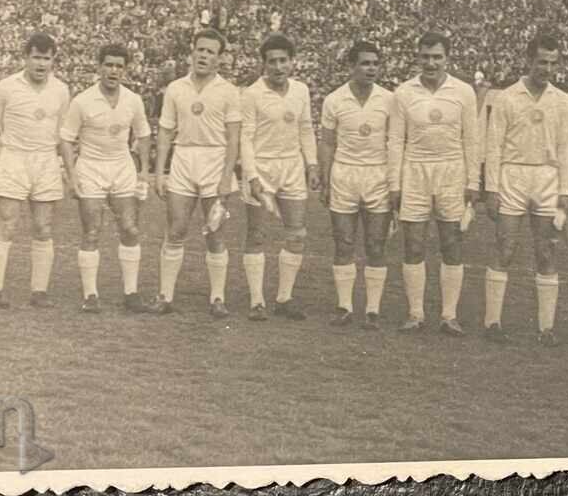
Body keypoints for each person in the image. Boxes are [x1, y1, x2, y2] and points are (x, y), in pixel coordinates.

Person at [388, 32, 481, 336]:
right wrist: (395, 183)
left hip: (451, 171)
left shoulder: (464, 92)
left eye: (437, 57)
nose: (431, 62)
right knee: (413, 243)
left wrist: (472, 180)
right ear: (418, 57)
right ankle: (415, 313)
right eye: (426, 56)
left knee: (451, 242)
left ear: (446, 58)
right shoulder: (403, 93)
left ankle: (448, 316)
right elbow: (395, 140)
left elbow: (472, 138)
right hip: (415, 170)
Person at [483, 34, 568, 345]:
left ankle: (545, 328)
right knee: (505, 248)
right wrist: (491, 189)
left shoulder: (562, 101)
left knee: (546, 250)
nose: (546, 68)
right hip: (512, 176)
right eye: (541, 62)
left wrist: (566, 190)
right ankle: (492, 322)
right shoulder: (507, 98)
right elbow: (492, 146)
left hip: (547, 178)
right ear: (529, 61)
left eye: (552, 62)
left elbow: (566, 149)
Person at [59, 43, 154, 314]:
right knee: (91, 231)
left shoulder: (133, 100)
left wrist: (144, 171)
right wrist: (71, 175)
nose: (114, 71)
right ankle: (91, 295)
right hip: (90, 168)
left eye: (119, 66)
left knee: (130, 229)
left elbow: (144, 134)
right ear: (99, 67)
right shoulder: (82, 101)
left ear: (125, 70)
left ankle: (131, 293)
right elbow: (66, 139)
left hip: (122, 167)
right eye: (109, 65)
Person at [153, 29, 241, 318]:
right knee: (176, 229)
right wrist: (160, 171)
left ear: (219, 58)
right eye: (200, 50)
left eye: (210, 52)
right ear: (192, 52)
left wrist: (227, 176)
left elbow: (233, 138)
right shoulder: (176, 88)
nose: (204, 56)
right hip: (183, 158)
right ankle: (165, 296)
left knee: (214, 232)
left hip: (215, 160)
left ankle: (217, 298)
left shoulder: (228, 91)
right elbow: (165, 131)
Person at [0, 33, 71, 308]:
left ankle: (39, 291)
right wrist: (4, 155)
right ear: (26, 58)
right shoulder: (6, 87)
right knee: (7, 222)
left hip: (45, 161)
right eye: (36, 57)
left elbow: (63, 131)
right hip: (14, 158)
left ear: (53, 60)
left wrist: (63, 165)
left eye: (46, 58)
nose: (41, 64)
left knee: (43, 227)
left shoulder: (61, 90)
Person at [239, 34, 321, 321]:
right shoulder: (251, 94)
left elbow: (306, 129)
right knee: (257, 234)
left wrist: (311, 164)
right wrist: (251, 175)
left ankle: (284, 298)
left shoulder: (300, 90)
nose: (277, 66)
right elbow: (245, 137)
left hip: (292, 168)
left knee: (297, 233)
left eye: (283, 60)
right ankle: (257, 301)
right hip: (262, 167)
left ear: (292, 62)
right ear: (263, 64)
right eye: (272, 61)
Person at [319, 41, 394, 329]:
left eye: (375, 63)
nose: (371, 68)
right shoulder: (334, 100)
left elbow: (396, 141)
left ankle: (373, 310)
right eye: (365, 63)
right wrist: (325, 179)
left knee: (376, 243)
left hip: (377, 175)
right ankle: (345, 306)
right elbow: (327, 142)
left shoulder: (389, 99)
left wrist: (394, 181)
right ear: (352, 66)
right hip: (344, 174)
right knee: (344, 241)